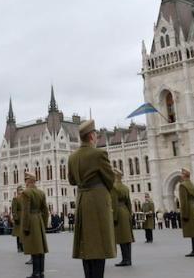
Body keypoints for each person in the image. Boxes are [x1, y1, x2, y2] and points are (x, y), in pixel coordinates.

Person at [67, 119, 116, 278]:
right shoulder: (99, 154)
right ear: (91, 136)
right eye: (95, 134)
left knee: (86, 246)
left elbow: (72, 180)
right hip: (97, 201)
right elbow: (110, 179)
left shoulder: (72, 157)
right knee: (99, 245)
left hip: (81, 200)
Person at [21, 171, 48, 278]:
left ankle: (35, 273)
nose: (25, 182)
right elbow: (45, 211)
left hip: (31, 221)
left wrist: (25, 227)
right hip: (39, 220)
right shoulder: (41, 193)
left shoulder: (26, 193)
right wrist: (44, 224)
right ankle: (41, 272)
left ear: (29, 181)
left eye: (26, 180)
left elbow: (26, 211)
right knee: (40, 248)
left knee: (34, 248)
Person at [111, 168, 134, 267]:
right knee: (127, 238)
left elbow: (114, 203)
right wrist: (130, 214)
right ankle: (128, 259)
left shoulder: (114, 187)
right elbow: (129, 202)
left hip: (119, 213)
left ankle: (125, 259)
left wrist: (114, 217)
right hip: (126, 212)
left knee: (122, 237)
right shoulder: (125, 187)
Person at [178, 168, 194, 257]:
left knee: (193, 230)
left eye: (181, 174)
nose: (181, 175)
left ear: (184, 176)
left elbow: (183, 201)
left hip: (188, 208)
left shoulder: (183, 185)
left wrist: (184, 214)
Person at [11, 186, 24, 253]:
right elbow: (14, 209)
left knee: (23, 233)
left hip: (24, 217)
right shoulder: (15, 199)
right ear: (17, 191)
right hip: (19, 217)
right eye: (20, 190)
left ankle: (23, 247)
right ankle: (19, 247)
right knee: (19, 234)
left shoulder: (24, 198)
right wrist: (15, 218)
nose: (21, 191)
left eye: (22, 190)